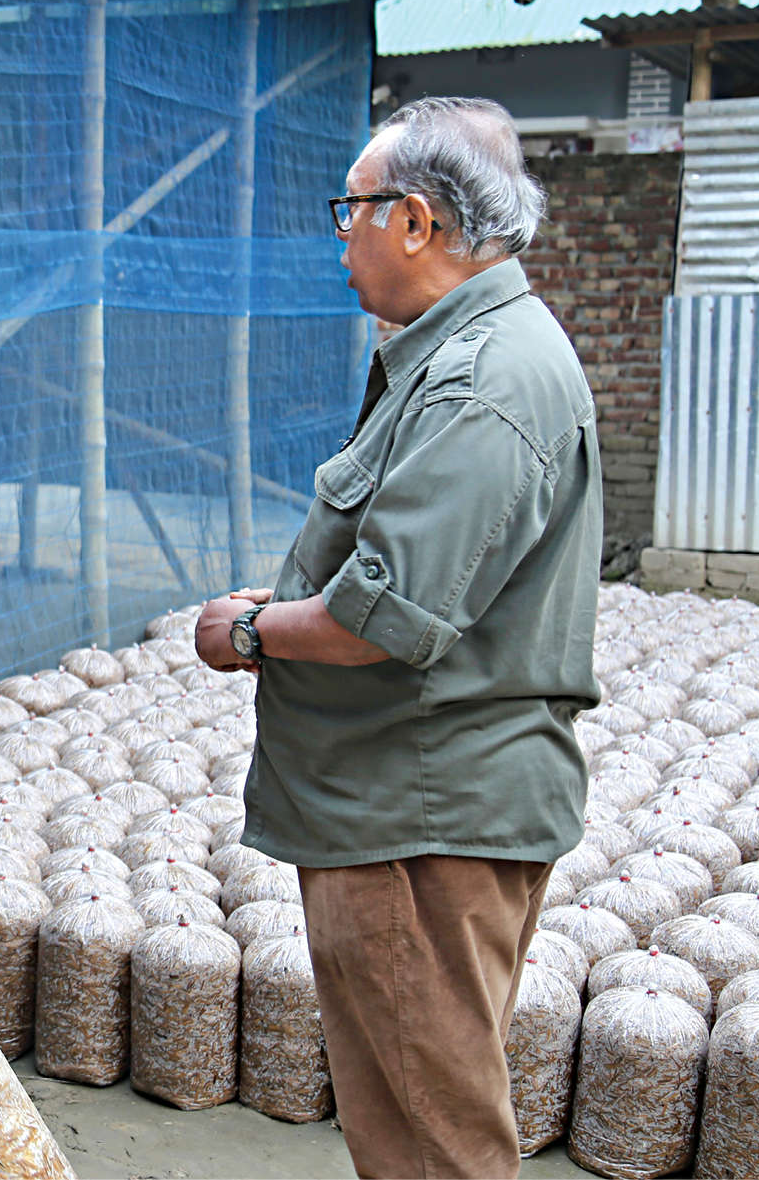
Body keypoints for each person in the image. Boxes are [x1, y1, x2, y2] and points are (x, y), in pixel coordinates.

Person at [195, 97, 599, 1179]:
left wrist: (248, 629)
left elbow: (379, 620)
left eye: (353, 210)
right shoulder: (466, 354)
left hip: (416, 818)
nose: (343, 235)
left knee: (431, 1139)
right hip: (412, 805)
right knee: (418, 1113)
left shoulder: (480, 381)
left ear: (415, 222)